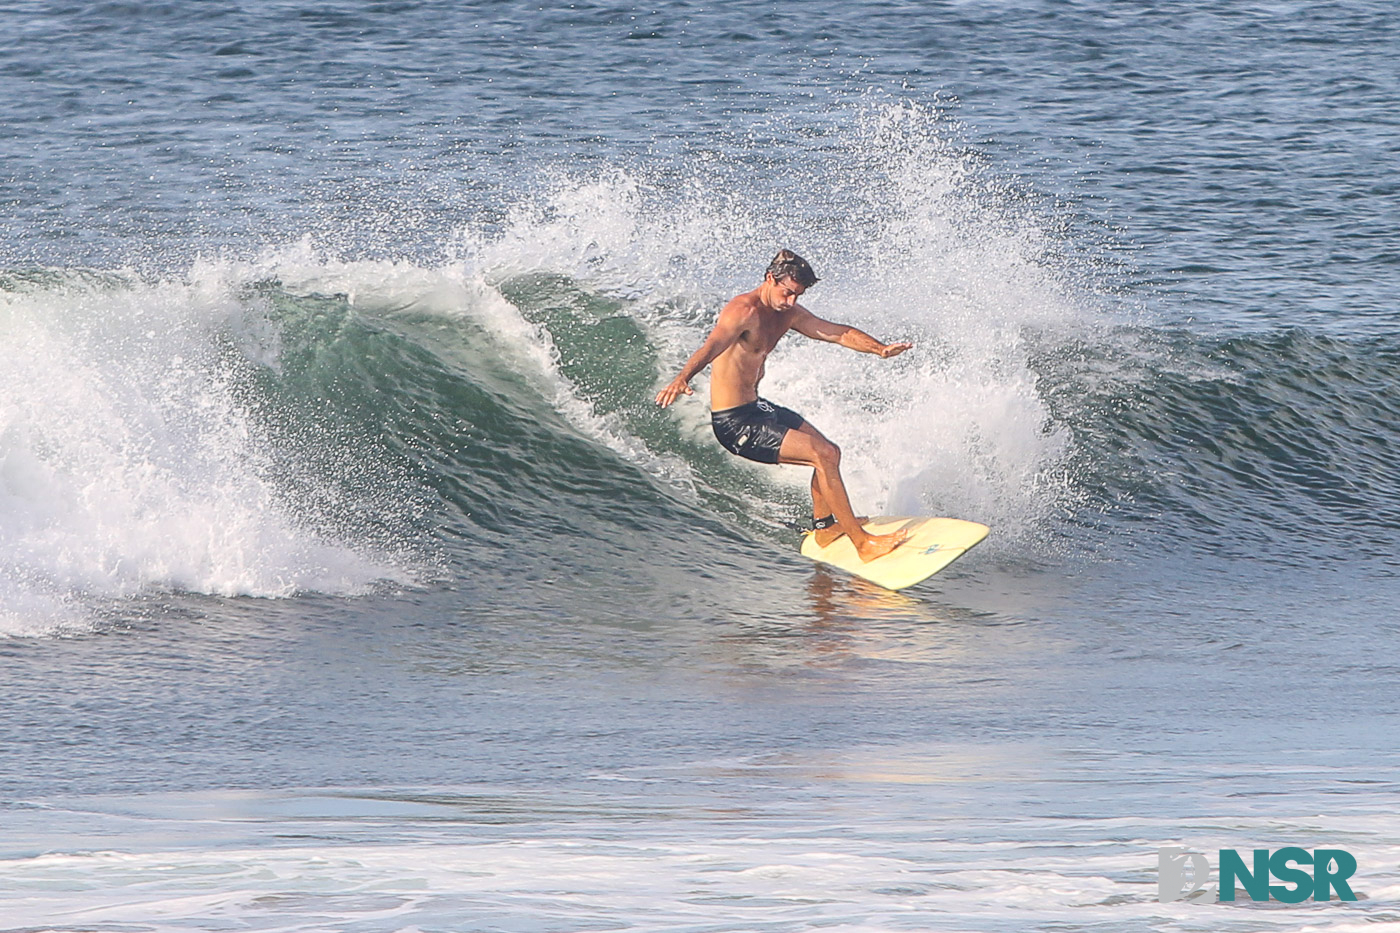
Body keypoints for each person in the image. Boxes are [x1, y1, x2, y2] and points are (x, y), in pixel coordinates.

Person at [655, 249, 913, 562]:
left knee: (829, 451)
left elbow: (838, 333)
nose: (791, 301)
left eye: (797, 295)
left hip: (757, 409)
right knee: (824, 456)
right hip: (735, 423)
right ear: (769, 278)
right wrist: (682, 377)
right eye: (787, 292)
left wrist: (880, 350)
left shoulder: (787, 313)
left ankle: (825, 528)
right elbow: (712, 345)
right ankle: (863, 545)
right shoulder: (743, 311)